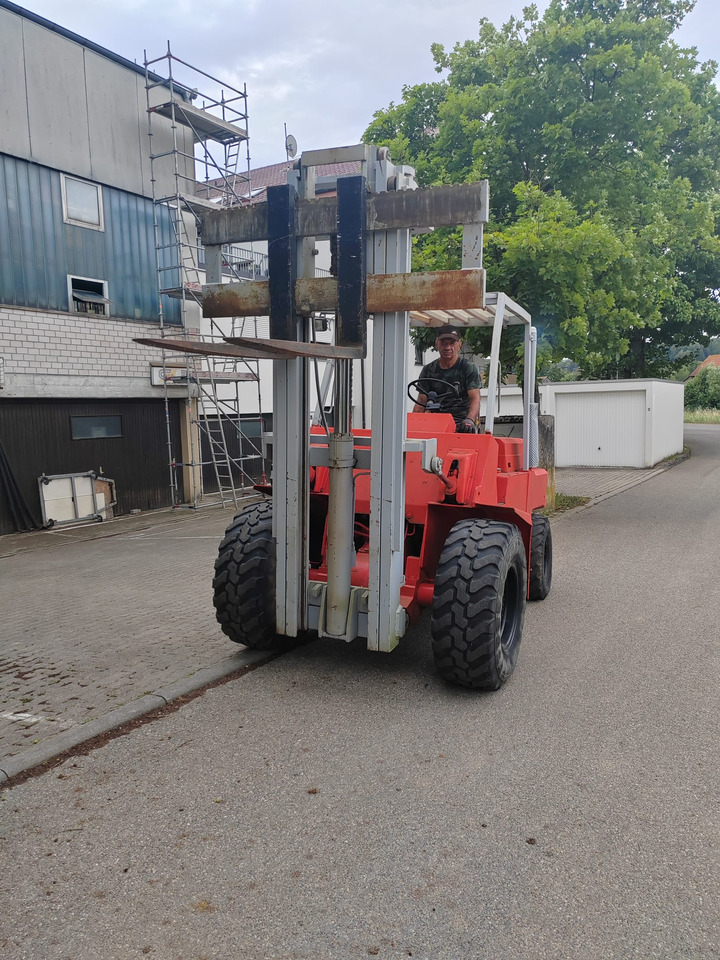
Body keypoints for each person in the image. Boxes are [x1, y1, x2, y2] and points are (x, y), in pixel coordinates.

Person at [412, 326, 481, 432]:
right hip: (435, 424)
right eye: (443, 343)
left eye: (452, 343)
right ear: (437, 343)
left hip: (461, 423)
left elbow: (475, 398)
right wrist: (413, 426)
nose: (447, 347)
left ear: (459, 344)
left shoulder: (467, 368)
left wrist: (470, 420)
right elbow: (421, 402)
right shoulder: (428, 370)